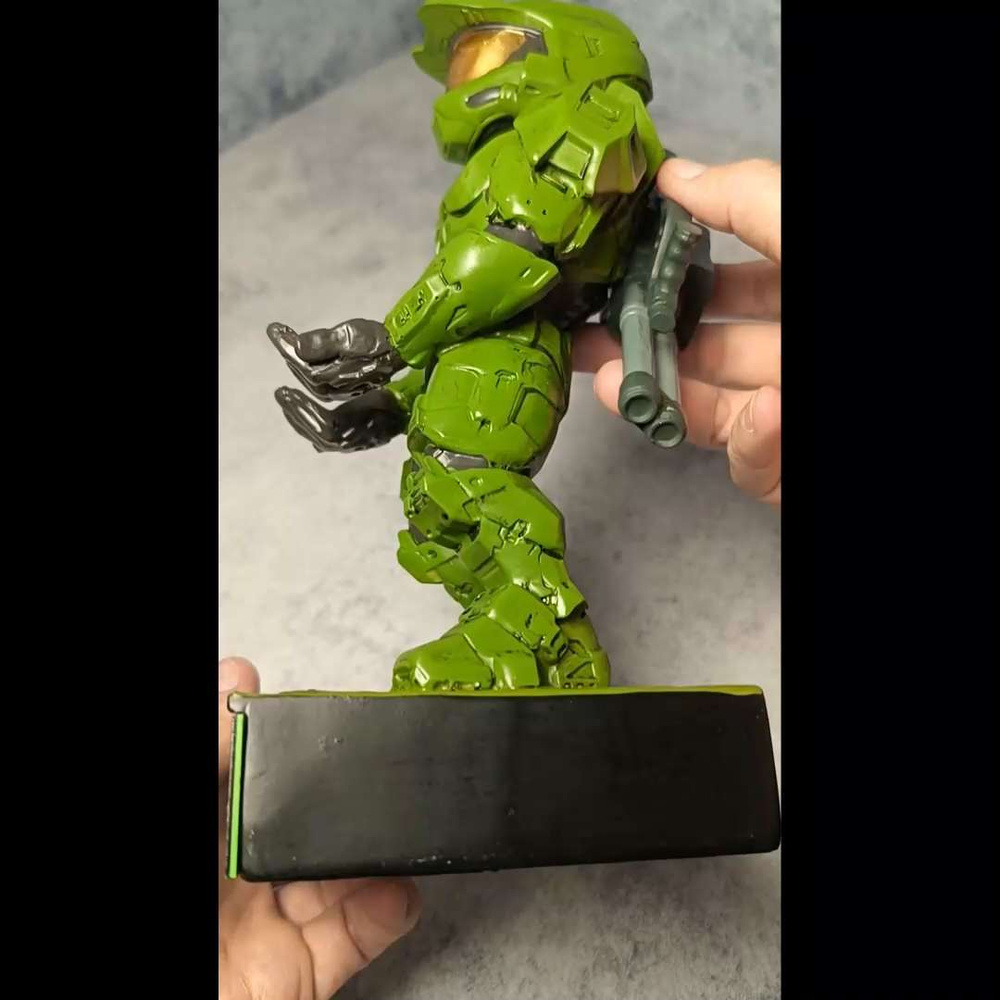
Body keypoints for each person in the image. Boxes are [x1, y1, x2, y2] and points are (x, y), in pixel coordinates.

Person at [218, 157, 781, 1000]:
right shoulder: (496, 220)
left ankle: (554, 653)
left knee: (484, 512)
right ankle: (539, 661)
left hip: (496, 417)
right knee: (461, 522)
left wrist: (389, 339)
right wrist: (385, 408)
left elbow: (503, 263)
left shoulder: (562, 155)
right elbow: (466, 331)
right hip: (462, 422)